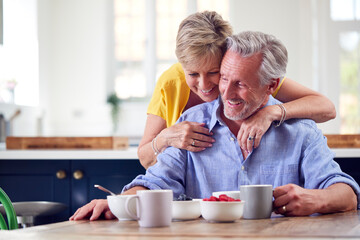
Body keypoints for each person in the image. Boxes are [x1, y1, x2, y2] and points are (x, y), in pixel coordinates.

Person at [70, 31, 358, 221]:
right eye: (224, 79)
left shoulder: (301, 132)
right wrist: (120, 203)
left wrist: (315, 199)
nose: (227, 93)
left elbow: (346, 195)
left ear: (272, 85)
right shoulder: (191, 123)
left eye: (241, 84)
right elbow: (156, 182)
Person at [138, 11, 336, 169]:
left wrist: (271, 112)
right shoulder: (170, 83)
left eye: (215, 72)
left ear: (227, 61)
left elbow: (326, 108)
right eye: (193, 74)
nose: (205, 85)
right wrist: (166, 138)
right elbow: (145, 158)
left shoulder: (246, 80)